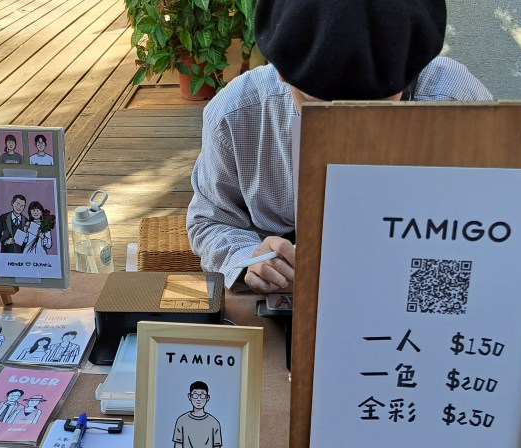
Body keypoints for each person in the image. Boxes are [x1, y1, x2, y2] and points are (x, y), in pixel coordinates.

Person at [186, 0, 493, 293]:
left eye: (379, 106)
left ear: (413, 71)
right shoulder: (238, 114)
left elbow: (493, 225)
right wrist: (251, 259)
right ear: (282, 71)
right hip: (286, 291)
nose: (351, 129)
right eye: (321, 108)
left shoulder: (460, 106)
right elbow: (209, 222)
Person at [173, 381, 222, 448]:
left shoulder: (214, 423)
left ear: (207, 398)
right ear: (189, 397)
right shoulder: (181, 421)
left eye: (202, 395)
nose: (199, 399)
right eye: (195, 395)